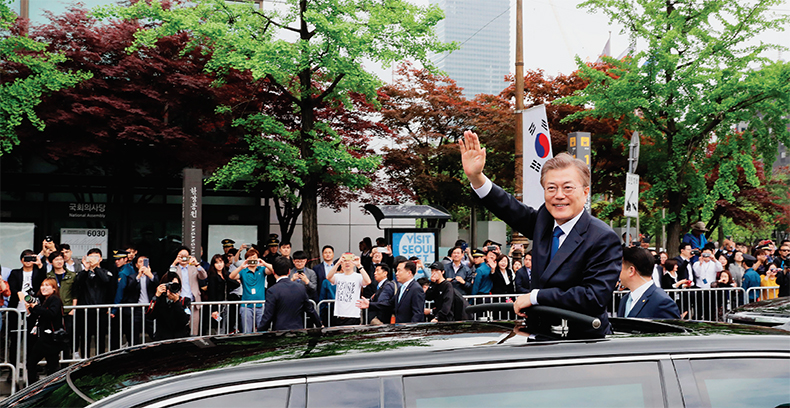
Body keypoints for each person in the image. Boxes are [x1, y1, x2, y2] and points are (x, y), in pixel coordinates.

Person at [461, 132, 621, 338]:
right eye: (551, 188)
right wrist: (476, 177)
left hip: (581, 344)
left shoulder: (603, 238)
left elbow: (593, 296)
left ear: (585, 192)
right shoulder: (545, 220)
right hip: (537, 337)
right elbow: (509, 207)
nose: (559, 195)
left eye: (568, 187)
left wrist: (536, 297)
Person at [19, 278, 64, 385]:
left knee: (43, 364)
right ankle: (40, 386)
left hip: (50, 338)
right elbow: (37, 317)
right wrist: (30, 310)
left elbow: (51, 314)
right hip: (44, 338)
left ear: (54, 289)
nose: (44, 288)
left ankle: (39, 386)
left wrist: (36, 307)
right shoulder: (43, 300)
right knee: (41, 364)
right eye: (42, 285)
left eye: (47, 285)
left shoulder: (55, 299)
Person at [258, 257, 322, 332]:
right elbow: (310, 310)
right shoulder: (300, 288)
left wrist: (260, 332)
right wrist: (319, 325)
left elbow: (268, 316)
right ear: (289, 272)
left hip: (280, 331)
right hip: (298, 330)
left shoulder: (272, 291)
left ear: (274, 272)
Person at [617, 247, 680, 319]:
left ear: (631, 270)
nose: (617, 272)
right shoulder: (625, 299)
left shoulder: (662, 302)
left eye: (620, 267)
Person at [72, 248, 112, 357]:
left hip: (101, 311)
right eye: (91, 257)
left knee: (100, 338)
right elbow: (77, 284)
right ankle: (85, 361)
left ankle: (100, 361)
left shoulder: (105, 272)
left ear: (101, 259)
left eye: (96, 257)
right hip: (85, 311)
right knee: (85, 338)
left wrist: (96, 268)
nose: (93, 260)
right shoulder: (83, 273)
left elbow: (107, 281)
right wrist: (86, 269)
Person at [229, 248, 271, 333]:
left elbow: (274, 271)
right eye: (250, 258)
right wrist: (241, 266)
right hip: (246, 306)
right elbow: (231, 276)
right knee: (247, 331)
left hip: (261, 305)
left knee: (262, 331)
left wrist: (264, 263)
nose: (252, 260)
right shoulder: (243, 271)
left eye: (254, 258)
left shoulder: (262, 269)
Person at [170, 247, 208, 335]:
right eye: (181, 256)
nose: (183, 258)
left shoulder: (193, 267)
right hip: (179, 301)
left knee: (194, 328)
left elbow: (204, 276)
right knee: (179, 326)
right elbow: (170, 275)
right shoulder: (175, 268)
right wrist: (175, 262)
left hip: (193, 302)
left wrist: (197, 264)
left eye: (185, 256)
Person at [326, 253, 371, 326]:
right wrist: (338, 263)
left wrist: (359, 265)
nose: (347, 263)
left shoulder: (358, 276)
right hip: (339, 315)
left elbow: (368, 281)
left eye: (349, 261)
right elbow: (328, 277)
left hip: (353, 315)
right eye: (345, 261)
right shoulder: (338, 276)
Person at [146, 275, 191, 341]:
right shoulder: (160, 300)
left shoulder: (184, 300)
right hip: (162, 338)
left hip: (179, 338)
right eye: (170, 285)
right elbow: (149, 315)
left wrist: (176, 302)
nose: (172, 287)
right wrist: (156, 297)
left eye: (175, 285)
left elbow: (185, 320)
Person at [205, 254, 230, 334]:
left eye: (221, 262)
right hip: (217, 304)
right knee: (218, 325)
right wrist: (214, 309)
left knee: (225, 324)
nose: (219, 265)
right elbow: (211, 293)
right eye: (216, 263)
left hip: (226, 302)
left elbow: (235, 284)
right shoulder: (213, 276)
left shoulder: (225, 274)